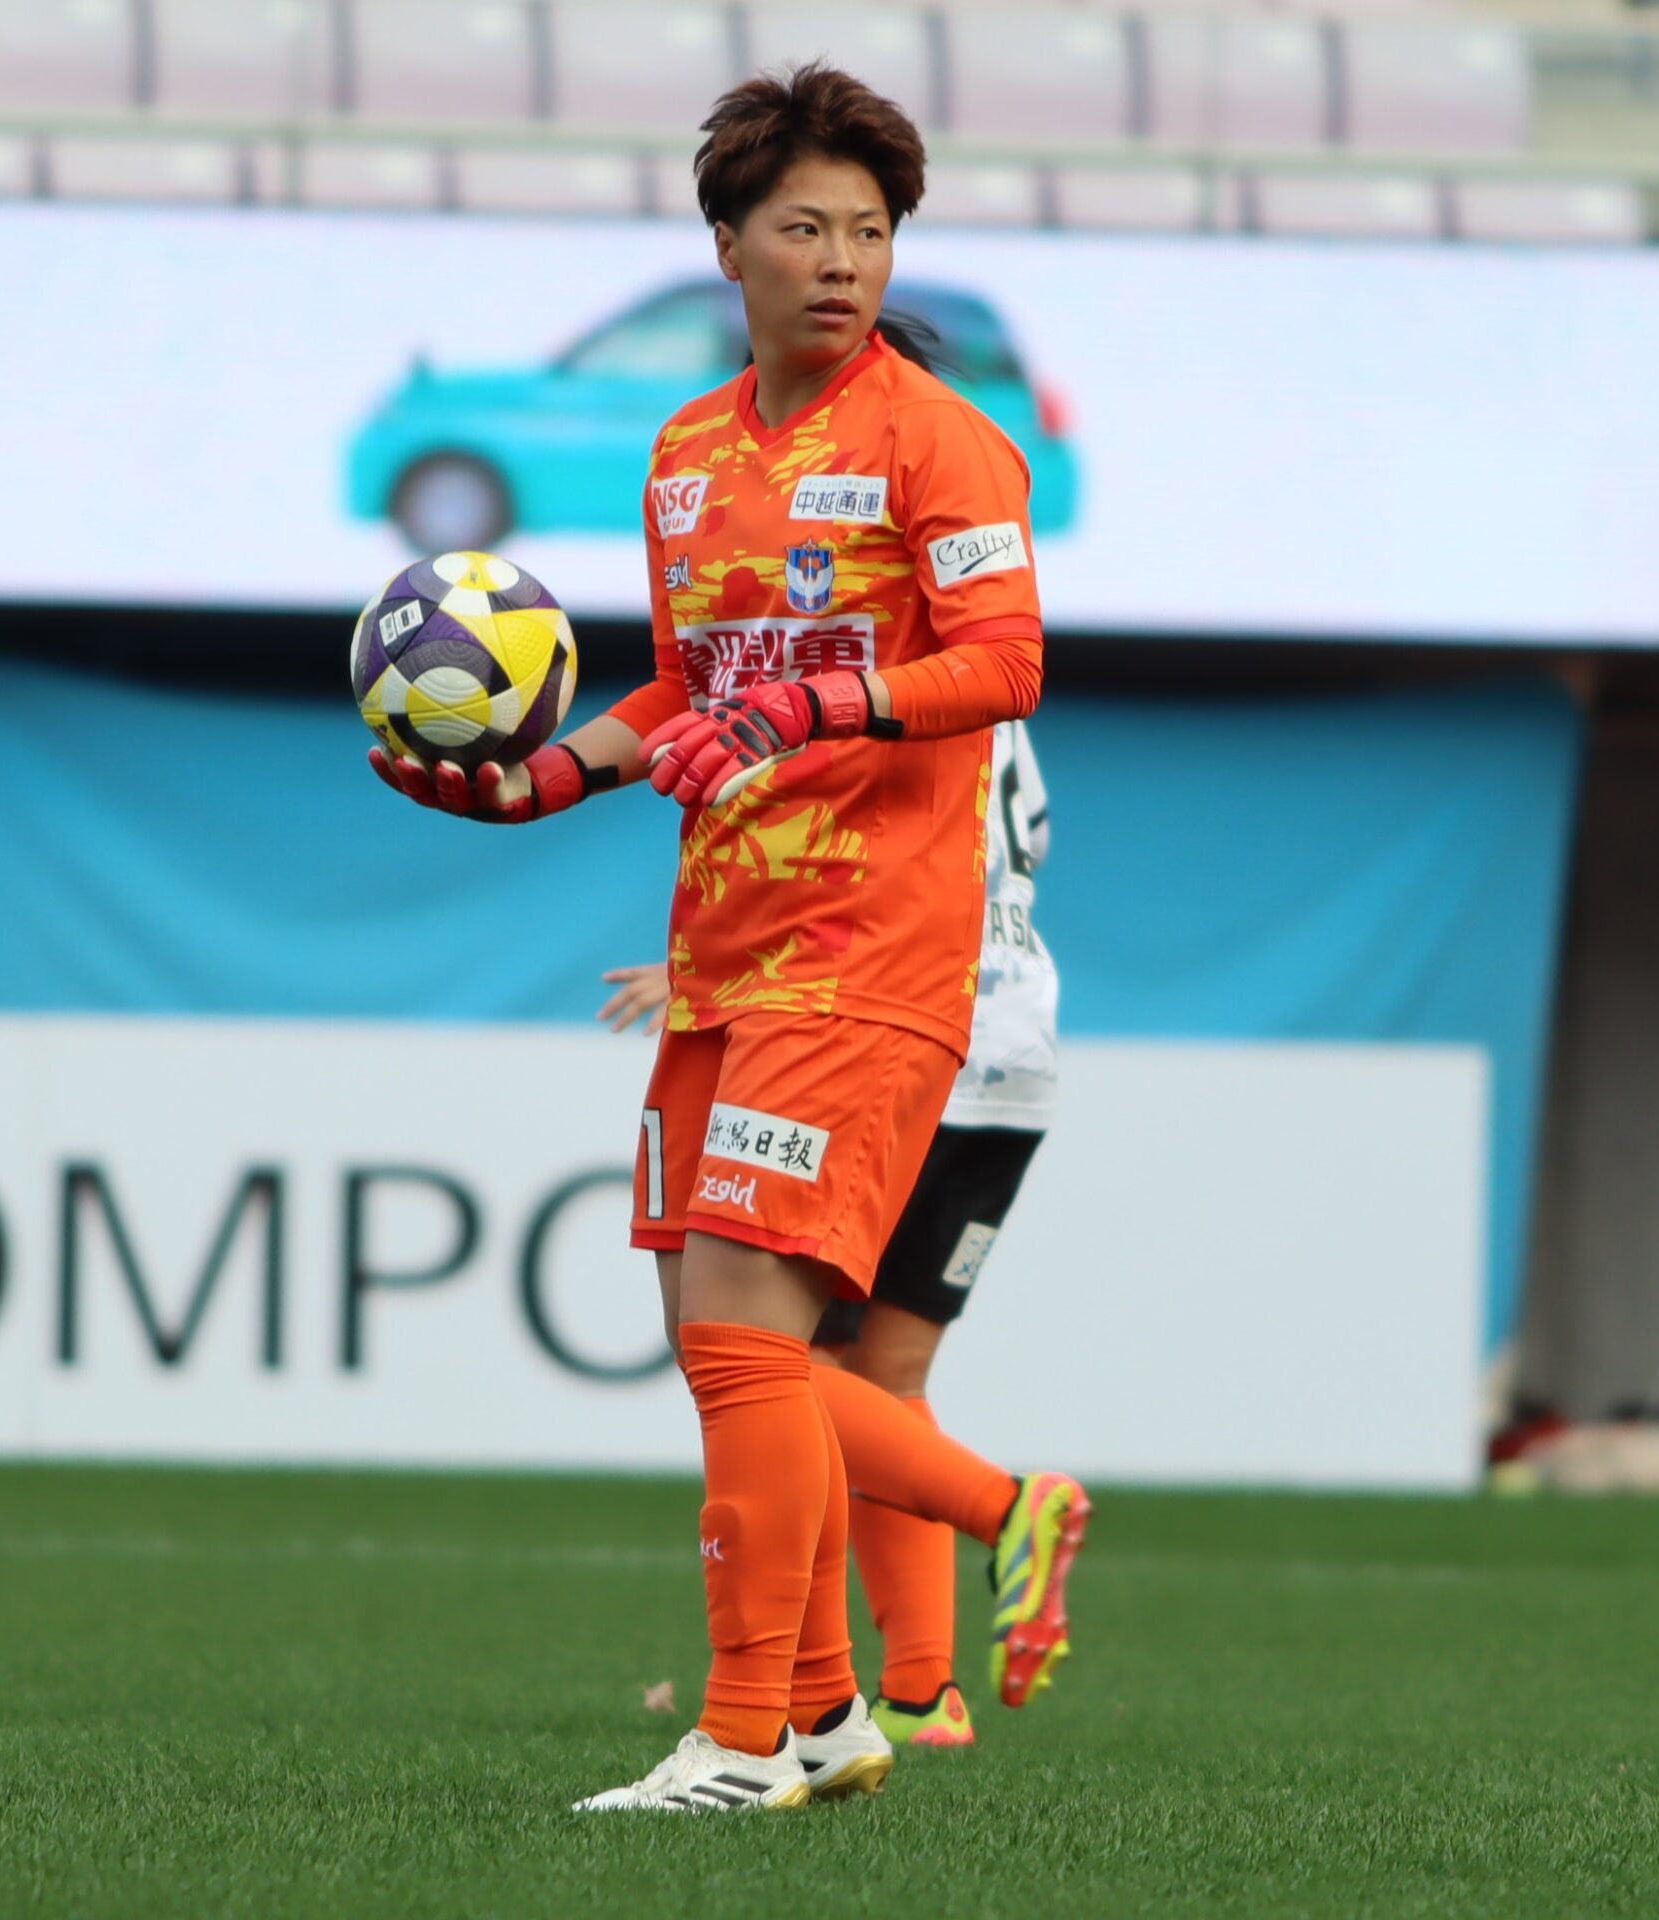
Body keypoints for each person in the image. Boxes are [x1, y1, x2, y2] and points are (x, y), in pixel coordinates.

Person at [372, 62, 1070, 1813]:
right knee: (721, 1345)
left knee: (755, 1339)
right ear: (730, 247)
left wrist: (813, 707)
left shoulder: (940, 438)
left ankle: (743, 1735)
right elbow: (686, 687)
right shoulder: (686, 452)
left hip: (871, 953)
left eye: (872, 232)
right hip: (723, 950)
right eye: (806, 228)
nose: (843, 261)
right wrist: (538, 785)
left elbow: (1004, 663)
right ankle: (825, 1715)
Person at [600, 717, 1078, 1750]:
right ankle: (920, 1690)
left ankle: (995, 1517)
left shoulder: (855, 683)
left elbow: (836, 845)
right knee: (888, 1375)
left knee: (771, 1356)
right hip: (1016, 1053)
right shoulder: (990, 709)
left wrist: (725, 972)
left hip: (887, 1016)